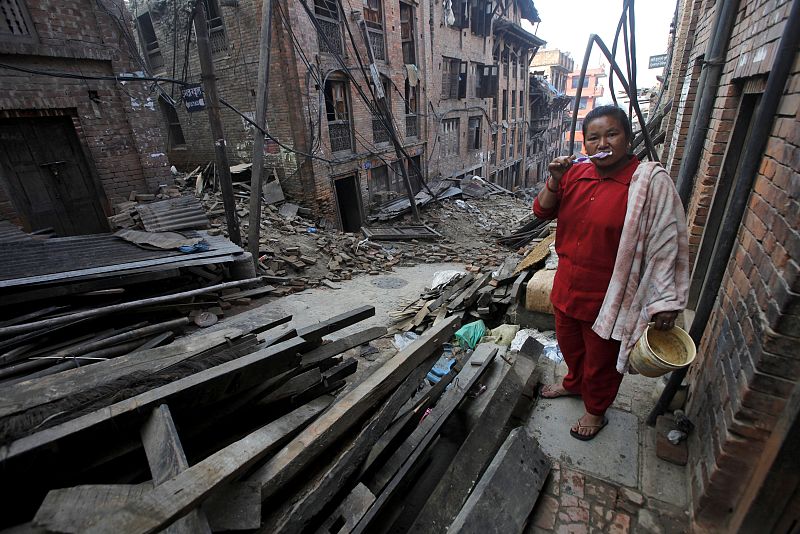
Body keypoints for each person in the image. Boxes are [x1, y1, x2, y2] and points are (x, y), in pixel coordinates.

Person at [533, 105, 689, 441]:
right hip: (568, 285)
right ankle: (574, 384)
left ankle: (596, 410)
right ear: (585, 144)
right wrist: (554, 180)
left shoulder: (646, 183)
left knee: (601, 360)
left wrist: (666, 300)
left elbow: (669, 242)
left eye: (612, 134)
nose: (603, 142)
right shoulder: (575, 174)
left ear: (627, 138)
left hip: (612, 296)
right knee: (570, 346)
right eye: (593, 137)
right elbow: (542, 211)